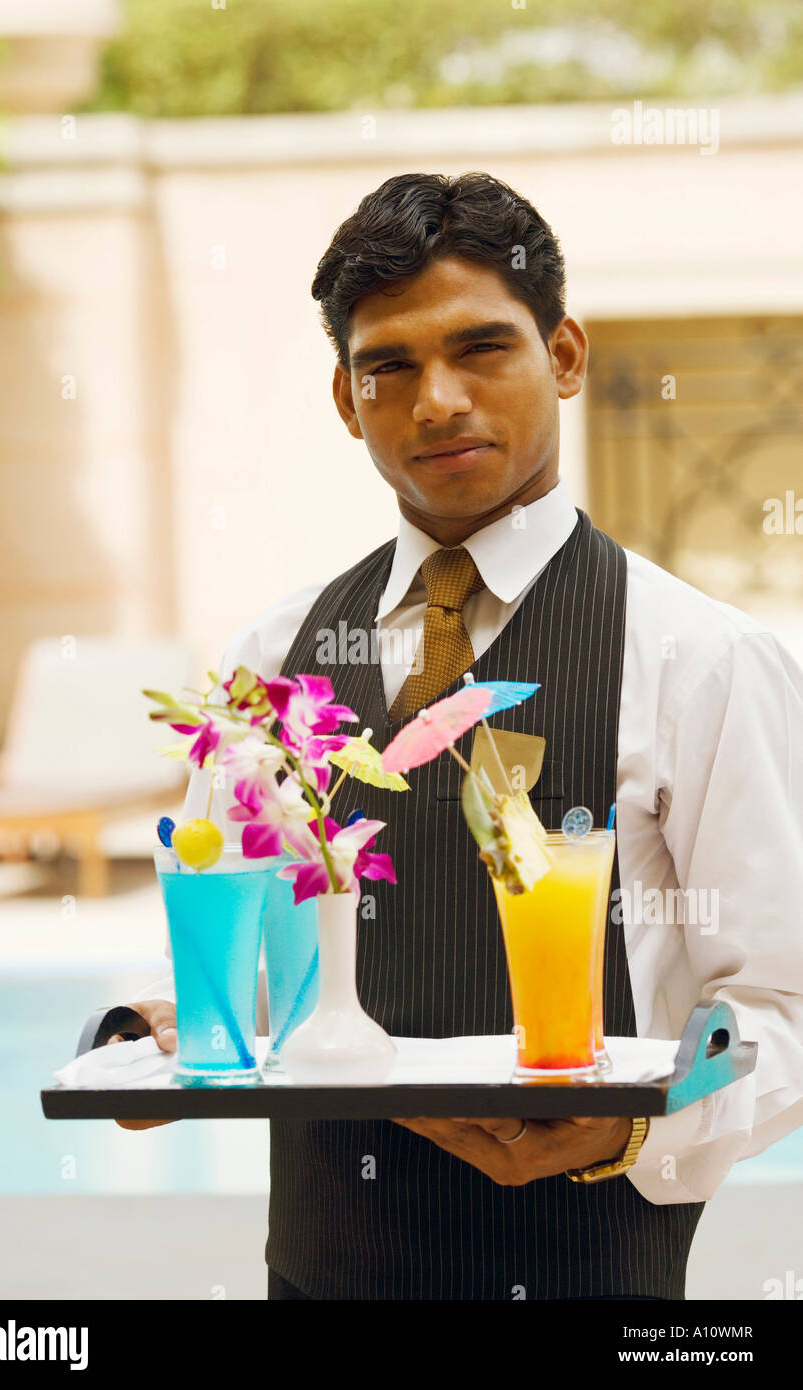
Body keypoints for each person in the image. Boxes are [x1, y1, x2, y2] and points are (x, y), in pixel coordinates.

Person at [111, 172, 803, 1301]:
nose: (434, 400)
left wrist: (627, 1135)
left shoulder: (699, 659)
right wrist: (147, 1034)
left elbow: (782, 1006)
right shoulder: (272, 656)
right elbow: (226, 952)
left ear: (564, 355)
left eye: (480, 348)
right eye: (386, 367)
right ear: (346, 399)